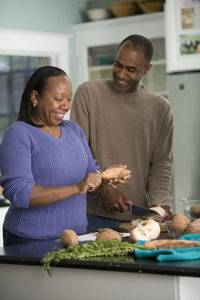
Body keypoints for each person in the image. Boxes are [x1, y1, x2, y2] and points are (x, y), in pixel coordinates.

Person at [0, 66, 131, 246]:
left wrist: (104, 180)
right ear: (35, 97)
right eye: (59, 99)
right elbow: (20, 194)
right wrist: (76, 188)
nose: (66, 106)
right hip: (29, 238)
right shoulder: (18, 134)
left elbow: (89, 178)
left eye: (69, 99)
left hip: (76, 238)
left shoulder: (73, 130)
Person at [70, 34, 174, 233]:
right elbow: (77, 156)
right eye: (118, 65)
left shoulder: (161, 108)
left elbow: (162, 162)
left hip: (139, 220)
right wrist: (103, 190)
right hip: (91, 216)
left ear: (147, 69)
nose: (121, 73)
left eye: (131, 69)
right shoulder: (88, 93)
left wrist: (158, 204)